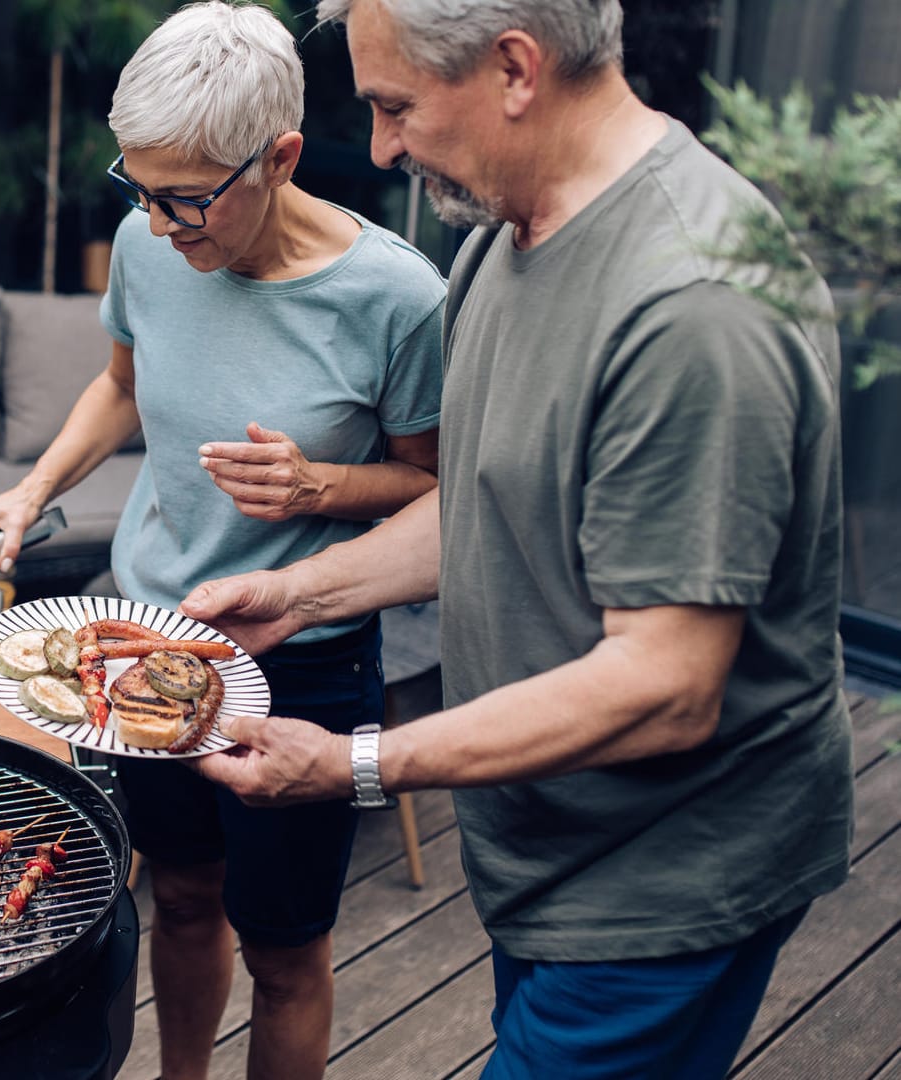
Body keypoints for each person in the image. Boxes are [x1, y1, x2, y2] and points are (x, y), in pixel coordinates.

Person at [182, 0, 854, 1076]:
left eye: (396, 106)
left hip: (660, 885)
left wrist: (355, 763)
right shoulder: (503, 230)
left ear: (513, 70)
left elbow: (667, 680)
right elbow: (492, 500)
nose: (384, 147)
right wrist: (300, 598)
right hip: (541, 849)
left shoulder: (695, 308)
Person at [0, 4, 446, 1076]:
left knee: (285, 952)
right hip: (142, 642)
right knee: (177, 899)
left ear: (281, 158)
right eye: (141, 190)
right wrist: (32, 492)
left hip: (302, 667)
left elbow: (441, 491)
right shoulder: (147, 240)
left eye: (186, 199)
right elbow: (120, 386)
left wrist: (325, 482)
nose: (162, 227)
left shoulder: (400, 298)